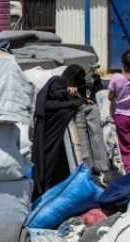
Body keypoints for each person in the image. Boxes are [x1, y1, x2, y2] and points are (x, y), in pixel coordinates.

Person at [31, 65, 88, 200]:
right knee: (47, 170)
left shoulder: (70, 93)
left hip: (61, 143)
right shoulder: (57, 82)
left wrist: (76, 99)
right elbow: (50, 105)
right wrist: (71, 100)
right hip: (47, 141)